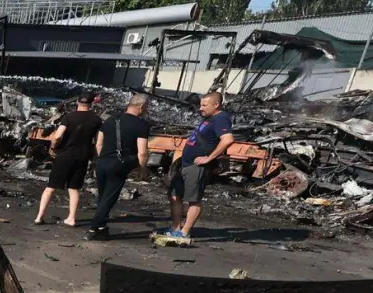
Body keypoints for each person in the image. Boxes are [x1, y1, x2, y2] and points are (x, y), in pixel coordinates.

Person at [158, 92, 235, 246]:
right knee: (174, 195)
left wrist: (209, 158)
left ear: (216, 105)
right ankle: (175, 228)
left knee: (193, 199)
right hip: (186, 164)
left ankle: (184, 232)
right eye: (201, 105)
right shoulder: (209, 119)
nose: (201, 108)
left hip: (197, 166)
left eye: (204, 105)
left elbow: (228, 140)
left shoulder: (221, 118)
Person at [86, 93, 152, 241]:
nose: (146, 110)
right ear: (141, 107)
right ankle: (93, 228)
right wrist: (142, 168)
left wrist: (102, 158)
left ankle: (102, 227)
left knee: (103, 196)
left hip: (102, 163)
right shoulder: (141, 125)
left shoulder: (110, 120)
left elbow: (98, 144)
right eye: (146, 107)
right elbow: (142, 151)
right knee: (109, 198)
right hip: (119, 165)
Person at [33, 96, 102, 227]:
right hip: (82, 157)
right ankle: (71, 218)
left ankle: (39, 216)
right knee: (74, 188)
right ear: (91, 104)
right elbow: (98, 144)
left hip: (65, 156)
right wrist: (94, 159)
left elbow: (58, 136)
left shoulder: (69, 117)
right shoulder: (96, 120)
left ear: (77, 102)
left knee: (51, 187)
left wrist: (53, 147)